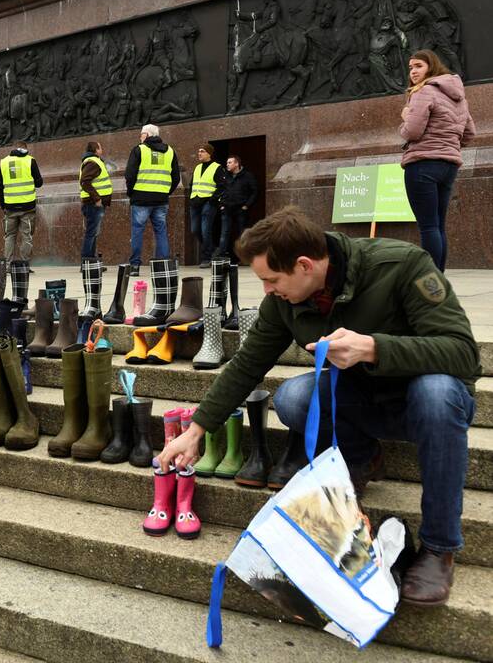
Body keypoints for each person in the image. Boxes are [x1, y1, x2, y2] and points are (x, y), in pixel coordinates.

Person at [158, 206, 480, 608]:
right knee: (295, 398)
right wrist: (197, 430)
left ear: (305, 265)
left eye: (271, 280)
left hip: (429, 404)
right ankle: (363, 457)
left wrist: (374, 348)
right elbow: (246, 365)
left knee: (435, 394)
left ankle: (438, 548)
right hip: (363, 398)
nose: (267, 291)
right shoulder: (284, 301)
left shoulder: (401, 265)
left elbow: (464, 354)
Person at [399, 48, 475, 272]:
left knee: (428, 227)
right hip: (448, 165)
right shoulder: (458, 96)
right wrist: (447, 144)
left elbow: (412, 131)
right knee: (438, 226)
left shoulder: (424, 92)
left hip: (422, 164)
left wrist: (404, 118)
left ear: (431, 67)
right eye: (411, 67)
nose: (413, 71)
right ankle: (438, 278)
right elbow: (469, 133)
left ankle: (431, 279)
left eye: (418, 66)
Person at [123, 123, 180, 275]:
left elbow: (129, 174)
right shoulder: (170, 151)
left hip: (140, 198)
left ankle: (135, 266)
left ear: (147, 135)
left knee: (137, 232)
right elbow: (176, 177)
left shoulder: (139, 150)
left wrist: (131, 192)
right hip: (161, 199)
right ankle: (163, 265)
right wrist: (165, 192)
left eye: (141, 134)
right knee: (160, 231)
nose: (140, 137)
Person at [0, 142, 43, 262]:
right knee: (26, 236)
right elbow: (39, 183)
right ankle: (24, 265)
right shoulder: (30, 161)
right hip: (27, 207)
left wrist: (3, 205)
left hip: (10, 207)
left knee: (9, 236)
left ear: (13, 148)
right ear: (25, 149)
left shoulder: (4, 162)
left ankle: (7, 264)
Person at [188, 143, 227, 267]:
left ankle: (206, 258)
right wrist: (191, 198)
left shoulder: (217, 167)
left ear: (209, 153)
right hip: (195, 202)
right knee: (195, 229)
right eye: (199, 151)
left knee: (206, 230)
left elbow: (222, 186)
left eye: (202, 151)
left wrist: (213, 200)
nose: (199, 153)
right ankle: (213, 248)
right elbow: (192, 184)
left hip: (208, 203)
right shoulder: (197, 167)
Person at [215, 155, 257, 261]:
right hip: (227, 208)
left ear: (237, 163)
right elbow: (220, 190)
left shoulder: (247, 176)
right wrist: (222, 205)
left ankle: (244, 257)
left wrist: (246, 205)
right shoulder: (225, 176)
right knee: (224, 232)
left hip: (240, 209)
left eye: (230, 162)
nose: (227, 164)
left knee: (242, 233)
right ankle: (221, 256)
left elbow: (254, 191)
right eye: (227, 162)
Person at [79, 141, 112, 259]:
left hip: (94, 203)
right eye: (100, 147)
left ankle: (91, 262)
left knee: (93, 233)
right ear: (96, 150)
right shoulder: (93, 162)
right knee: (91, 233)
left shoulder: (93, 161)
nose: (102, 150)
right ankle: (87, 262)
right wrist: (97, 199)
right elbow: (85, 182)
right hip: (94, 204)